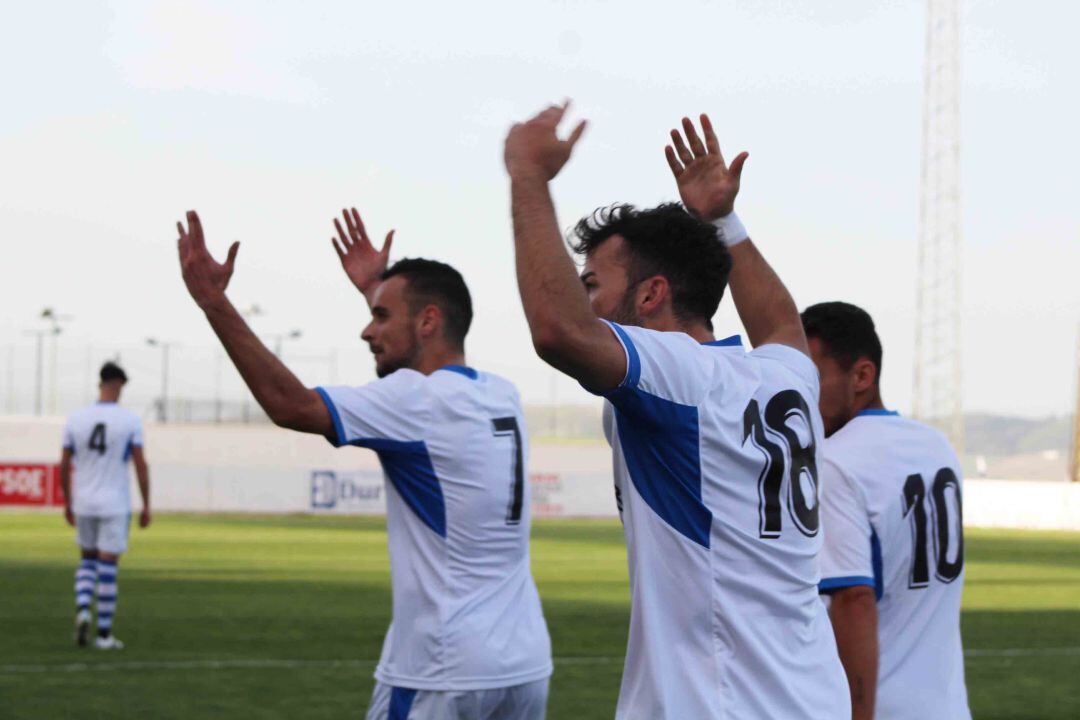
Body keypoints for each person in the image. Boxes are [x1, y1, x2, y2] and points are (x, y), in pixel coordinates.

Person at [504, 103, 849, 719]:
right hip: (811, 697)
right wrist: (723, 221)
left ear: (652, 293)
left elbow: (559, 331)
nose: (586, 301)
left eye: (592, 285)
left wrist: (527, 177)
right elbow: (781, 323)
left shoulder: (680, 376)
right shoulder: (782, 375)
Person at [176, 208, 552, 719]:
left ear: (428, 321)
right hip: (523, 664)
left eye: (379, 317)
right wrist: (379, 289)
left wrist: (213, 302)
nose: (365, 331)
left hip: (444, 668)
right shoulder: (501, 394)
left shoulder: (414, 400)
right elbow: (417, 363)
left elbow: (291, 406)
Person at [803, 301, 971, 720]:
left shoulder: (836, 461)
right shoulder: (936, 446)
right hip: (947, 706)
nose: (799, 393)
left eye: (811, 376)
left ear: (862, 376)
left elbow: (854, 598)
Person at [60, 361, 151, 649]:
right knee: (108, 566)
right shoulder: (130, 420)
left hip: (84, 500)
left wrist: (68, 500)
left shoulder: (76, 418)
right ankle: (103, 635)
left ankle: (84, 608)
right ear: (119, 384)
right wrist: (147, 503)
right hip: (114, 502)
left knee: (86, 560)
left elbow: (63, 463)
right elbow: (139, 464)